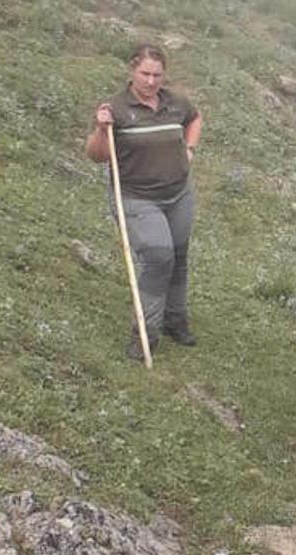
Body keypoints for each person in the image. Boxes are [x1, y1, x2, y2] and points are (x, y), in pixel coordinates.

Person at [85, 43, 203, 361]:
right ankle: (145, 336)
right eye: (145, 74)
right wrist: (101, 129)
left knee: (178, 257)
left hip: (178, 195)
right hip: (137, 199)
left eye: (157, 75)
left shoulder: (175, 103)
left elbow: (194, 118)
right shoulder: (116, 108)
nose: (151, 82)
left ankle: (174, 321)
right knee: (158, 257)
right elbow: (96, 155)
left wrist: (189, 150)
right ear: (132, 70)